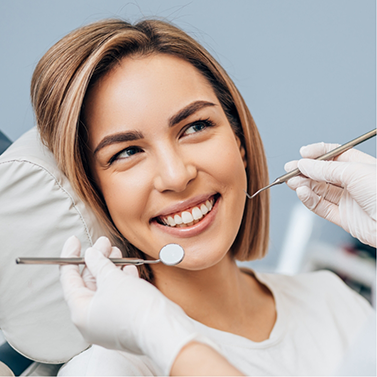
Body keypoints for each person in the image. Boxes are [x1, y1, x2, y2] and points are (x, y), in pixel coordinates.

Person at [30, 18, 375, 376]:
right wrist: (158, 332)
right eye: (127, 152)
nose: (177, 176)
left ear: (238, 141)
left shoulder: (331, 299)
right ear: (95, 191)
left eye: (195, 127)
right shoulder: (109, 369)